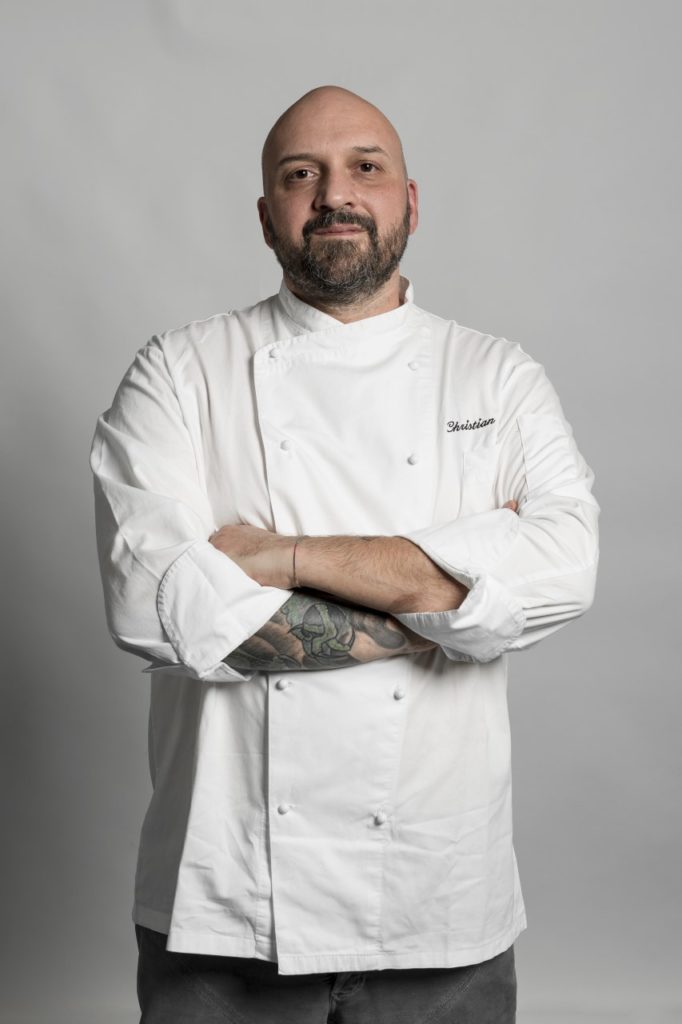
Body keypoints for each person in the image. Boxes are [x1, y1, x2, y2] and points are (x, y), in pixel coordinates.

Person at [90, 85, 599, 1023]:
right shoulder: (178, 372)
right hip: (224, 911)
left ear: (411, 200)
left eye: (366, 167)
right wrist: (454, 603)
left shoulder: (499, 376)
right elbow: (159, 610)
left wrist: (280, 556)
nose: (336, 194)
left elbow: (564, 569)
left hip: (441, 904)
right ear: (266, 216)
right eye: (302, 174)